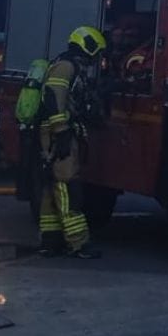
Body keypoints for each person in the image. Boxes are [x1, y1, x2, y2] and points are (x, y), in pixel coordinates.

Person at [37, 25, 107, 259]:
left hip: (53, 131)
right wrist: (61, 131)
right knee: (67, 185)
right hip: (57, 132)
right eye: (97, 52)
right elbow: (53, 97)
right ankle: (79, 244)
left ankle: (50, 241)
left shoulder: (68, 65)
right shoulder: (66, 66)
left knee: (51, 187)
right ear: (88, 46)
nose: (97, 58)